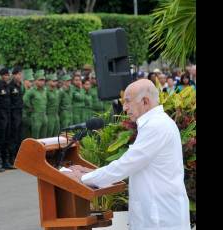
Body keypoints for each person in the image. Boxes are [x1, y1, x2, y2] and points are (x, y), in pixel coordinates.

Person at [65, 79, 191, 230]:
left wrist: (83, 178)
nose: (124, 108)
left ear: (145, 101)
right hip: (158, 214)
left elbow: (126, 165)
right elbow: (132, 164)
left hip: (160, 218)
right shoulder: (157, 123)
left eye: (128, 102)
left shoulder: (156, 126)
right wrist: (91, 173)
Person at [0, 68, 14, 170]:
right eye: (6, 75)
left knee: (7, 139)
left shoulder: (7, 86)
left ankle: (5, 161)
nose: (7, 77)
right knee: (0, 139)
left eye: (8, 75)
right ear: (2, 76)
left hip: (7, 115)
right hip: (0, 116)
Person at [23, 69, 48, 139]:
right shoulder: (32, 90)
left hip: (44, 115)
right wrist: (30, 107)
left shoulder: (44, 90)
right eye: (40, 80)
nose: (42, 82)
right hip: (36, 116)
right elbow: (25, 99)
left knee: (43, 137)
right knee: (35, 138)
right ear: (35, 81)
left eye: (43, 80)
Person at [9, 66, 24, 164]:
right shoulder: (10, 86)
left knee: (19, 137)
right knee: (13, 137)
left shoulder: (20, 86)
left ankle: (18, 158)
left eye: (21, 74)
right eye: (18, 74)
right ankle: (12, 158)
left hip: (19, 113)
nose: (20, 76)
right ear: (14, 75)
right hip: (13, 114)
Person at [45, 73, 60, 137]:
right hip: (49, 114)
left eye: (56, 81)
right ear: (48, 81)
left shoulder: (56, 90)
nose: (55, 82)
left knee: (57, 132)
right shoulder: (45, 91)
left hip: (56, 114)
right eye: (53, 81)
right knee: (49, 133)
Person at [22, 69, 34, 139]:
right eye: (30, 81)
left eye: (32, 81)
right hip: (23, 114)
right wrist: (30, 106)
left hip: (29, 115)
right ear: (25, 81)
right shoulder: (22, 89)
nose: (31, 83)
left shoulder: (30, 89)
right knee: (24, 135)